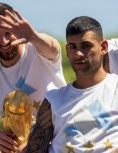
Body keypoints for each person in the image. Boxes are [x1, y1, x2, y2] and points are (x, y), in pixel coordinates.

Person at [0, 2, 66, 152]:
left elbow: (52, 47)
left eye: (8, 33)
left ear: (17, 30)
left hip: (59, 141)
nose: (4, 42)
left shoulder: (39, 50)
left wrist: (33, 36)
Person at [24, 16, 118, 153]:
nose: (79, 53)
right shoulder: (53, 100)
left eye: (86, 46)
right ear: (67, 51)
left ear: (103, 47)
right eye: (73, 47)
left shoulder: (115, 88)